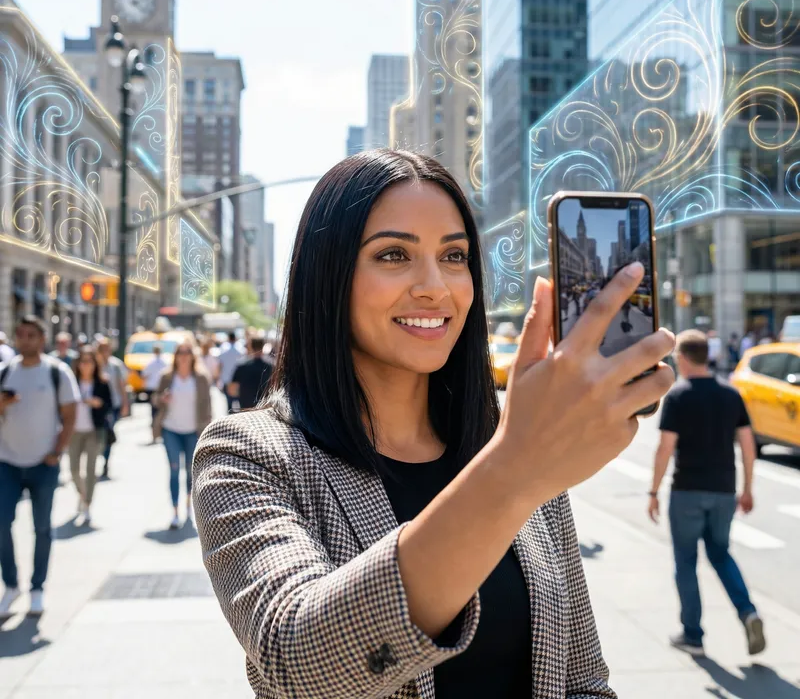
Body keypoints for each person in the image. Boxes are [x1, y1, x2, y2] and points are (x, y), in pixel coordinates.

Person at [192, 150, 675, 698]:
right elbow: (299, 662)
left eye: (454, 256)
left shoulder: (509, 445)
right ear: (328, 276)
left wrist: (517, 461)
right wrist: (512, 471)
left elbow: (583, 681)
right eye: (394, 254)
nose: (435, 287)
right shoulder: (246, 454)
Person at [648, 329, 765, 658]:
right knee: (721, 554)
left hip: (687, 490)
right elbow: (748, 447)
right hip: (724, 491)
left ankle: (693, 635)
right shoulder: (731, 394)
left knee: (686, 562)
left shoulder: (678, 396)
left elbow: (665, 448)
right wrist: (748, 489)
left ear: (682, 358)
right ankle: (748, 612)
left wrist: (653, 491)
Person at [0, 316, 80, 618]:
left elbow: (70, 415)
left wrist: (57, 451)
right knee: (1, 523)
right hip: (7, 461)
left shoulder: (57, 372)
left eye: (31, 335)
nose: (25, 340)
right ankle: (11, 585)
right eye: (20, 334)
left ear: (42, 339)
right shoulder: (5, 372)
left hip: (44, 463)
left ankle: (37, 588)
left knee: (42, 527)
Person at [153, 341, 212, 530]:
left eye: (187, 352)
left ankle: (188, 507)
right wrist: (162, 398)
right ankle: (175, 512)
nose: (184, 356)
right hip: (170, 429)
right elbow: (155, 399)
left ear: (193, 356)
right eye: (180, 352)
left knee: (190, 471)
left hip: (193, 431)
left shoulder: (201, 378)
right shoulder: (167, 376)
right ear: (176, 356)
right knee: (174, 469)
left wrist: (208, 432)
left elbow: (207, 406)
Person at [69, 346, 112, 526]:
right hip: (74, 431)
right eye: (83, 361)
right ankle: (82, 494)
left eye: (89, 361)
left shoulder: (102, 382)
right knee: (74, 470)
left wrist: (98, 403)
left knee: (91, 470)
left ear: (95, 364)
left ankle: (87, 504)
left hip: (94, 431)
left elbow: (109, 405)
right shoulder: (71, 382)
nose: (86, 365)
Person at [96, 337, 129, 479]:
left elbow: (122, 385)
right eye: (101, 349)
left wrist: (125, 403)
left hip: (112, 405)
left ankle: (105, 461)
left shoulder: (116, 365)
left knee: (108, 433)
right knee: (99, 435)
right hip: (97, 406)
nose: (104, 351)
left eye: (106, 348)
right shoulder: (94, 364)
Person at [228, 337, 273, 411]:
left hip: (245, 406)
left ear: (250, 347)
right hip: (264, 407)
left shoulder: (242, 366)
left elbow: (232, 389)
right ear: (263, 347)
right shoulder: (270, 366)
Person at [142, 344, 168, 443]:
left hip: (153, 390)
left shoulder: (150, 362)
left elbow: (144, 375)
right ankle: (161, 433)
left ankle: (155, 434)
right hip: (161, 390)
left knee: (154, 412)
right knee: (162, 411)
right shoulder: (165, 362)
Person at [217, 332, 244, 413]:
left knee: (229, 404)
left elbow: (220, 365)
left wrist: (219, 379)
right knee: (239, 403)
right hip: (238, 381)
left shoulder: (223, 350)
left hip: (227, 380)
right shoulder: (241, 350)